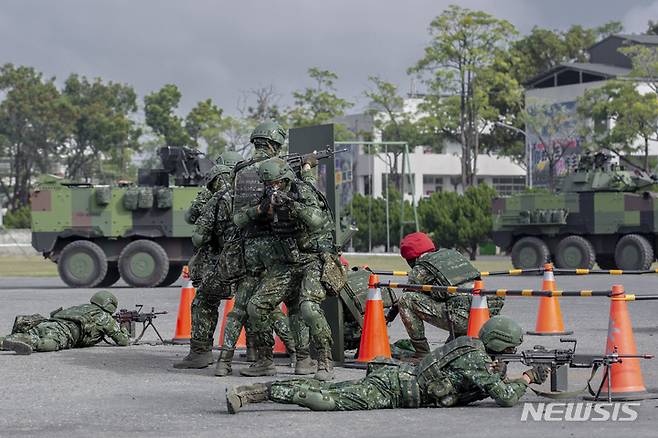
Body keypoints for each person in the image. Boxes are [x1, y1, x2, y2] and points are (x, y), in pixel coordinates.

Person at [225, 315, 549, 413]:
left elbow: (473, 380)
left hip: (397, 380)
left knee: (326, 390)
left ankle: (256, 392)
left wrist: (505, 372)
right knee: (325, 401)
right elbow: (505, 397)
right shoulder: (478, 359)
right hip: (393, 389)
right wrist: (526, 378)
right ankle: (254, 394)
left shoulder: (472, 347)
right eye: (510, 347)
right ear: (500, 344)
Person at [215, 121, 310, 377]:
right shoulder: (282, 169)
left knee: (242, 306)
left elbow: (236, 216)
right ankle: (301, 359)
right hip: (280, 247)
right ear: (275, 144)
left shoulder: (240, 171)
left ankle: (225, 361)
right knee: (293, 304)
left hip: (249, 248)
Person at [239, 157, 343, 381]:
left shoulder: (302, 191)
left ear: (285, 178)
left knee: (308, 307)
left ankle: (325, 362)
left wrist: (291, 205)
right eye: (268, 184)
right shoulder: (267, 197)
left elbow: (317, 220)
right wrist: (261, 209)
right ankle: (265, 361)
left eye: (276, 183)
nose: (272, 188)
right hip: (287, 261)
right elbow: (239, 219)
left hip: (314, 259)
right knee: (256, 306)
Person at [393, 232, 504, 360]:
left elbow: (409, 293)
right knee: (446, 356)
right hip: (484, 315)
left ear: (410, 258)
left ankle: (421, 352)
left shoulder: (421, 268)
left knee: (406, 301)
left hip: (460, 318)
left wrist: (389, 316)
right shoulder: (454, 255)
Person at [0, 291, 129, 355]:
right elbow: (123, 341)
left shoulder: (82, 307)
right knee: (45, 343)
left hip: (47, 324)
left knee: (22, 335)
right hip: (62, 332)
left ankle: (4, 341)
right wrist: (123, 327)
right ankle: (27, 342)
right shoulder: (104, 317)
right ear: (110, 306)